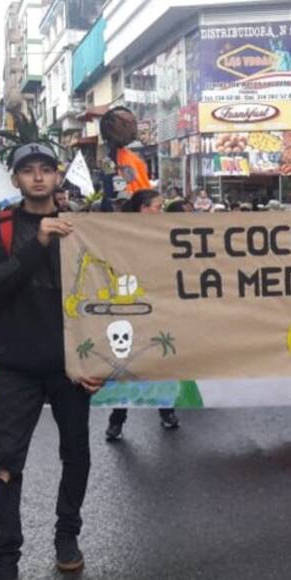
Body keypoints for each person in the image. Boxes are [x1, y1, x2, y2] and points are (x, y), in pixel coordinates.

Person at [0, 142, 105, 580]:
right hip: (17, 365)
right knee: (7, 461)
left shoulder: (82, 227)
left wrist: (99, 361)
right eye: (27, 170)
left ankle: (67, 535)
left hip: (72, 366)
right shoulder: (2, 228)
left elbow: (105, 293)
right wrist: (39, 243)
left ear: (57, 177)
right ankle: (5, 560)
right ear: (15, 179)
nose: (37, 177)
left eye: (46, 169)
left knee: (77, 454)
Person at [105, 187, 180, 441]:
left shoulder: (164, 235)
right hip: (130, 307)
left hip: (159, 306)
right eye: (158, 207)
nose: (162, 212)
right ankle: (117, 418)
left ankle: (166, 410)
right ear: (143, 209)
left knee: (160, 360)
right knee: (127, 362)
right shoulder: (122, 235)